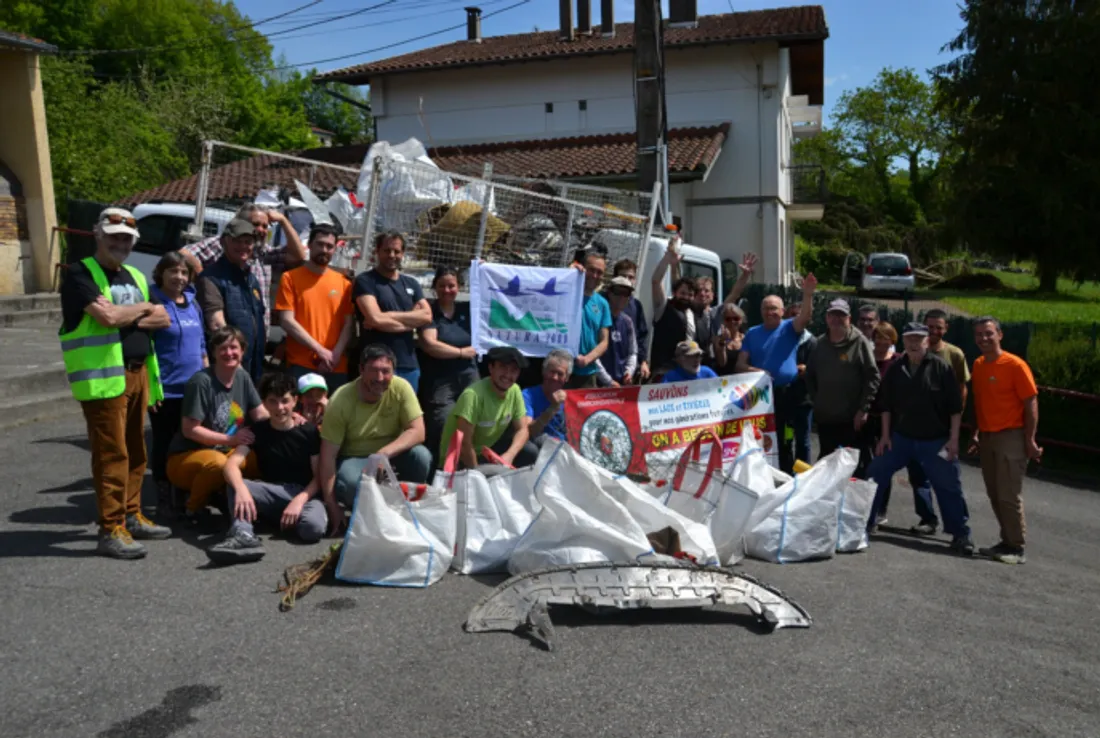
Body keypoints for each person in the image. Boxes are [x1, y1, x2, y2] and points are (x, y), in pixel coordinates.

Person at [59, 207, 172, 558]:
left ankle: (132, 514)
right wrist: (142, 311)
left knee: (137, 451)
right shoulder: (80, 274)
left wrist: (131, 314)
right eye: (114, 237)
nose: (120, 243)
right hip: (103, 379)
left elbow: (164, 317)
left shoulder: (135, 276)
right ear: (98, 235)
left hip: (139, 373)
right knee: (112, 453)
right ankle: (110, 528)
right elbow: (106, 317)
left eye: (126, 238)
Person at [868, 323, 974, 556]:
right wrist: (885, 436)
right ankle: (864, 523)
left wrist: (954, 440)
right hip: (901, 438)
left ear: (927, 341)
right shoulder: (896, 369)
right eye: (910, 339)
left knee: (948, 485)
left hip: (935, 440)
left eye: (919, 339)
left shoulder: (941, 367)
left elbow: (955, 408)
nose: (914, 344)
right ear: (903, 342)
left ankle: (960, 534)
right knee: (876, 472)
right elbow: (886, 406)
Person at [206, 373, 327, 564]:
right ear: (265, 403)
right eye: (273, 401)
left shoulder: (308, 431)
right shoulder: (258, 430)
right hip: (272, 491)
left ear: (295, 401)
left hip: (305, 494)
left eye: (285, 401)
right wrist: (241, 490)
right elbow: (231, 465)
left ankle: (275, 517)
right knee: (235, 484)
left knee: (312, 529)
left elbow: (319, 476)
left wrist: (298, 501)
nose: (280, 408)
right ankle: (243, 534)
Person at [319, 344, 432, 534]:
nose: (380, 378)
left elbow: (418, 431)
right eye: (373, 371)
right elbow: (327, 456)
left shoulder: (401, 387)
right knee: (348, 481)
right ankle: (370, 516)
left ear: (393, 371)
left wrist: (382, 454)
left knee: (421, 456)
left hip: (390, 454)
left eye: (386, 371)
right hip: (356, 458)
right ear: (361, 370)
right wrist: (332, 506)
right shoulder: (340, 400)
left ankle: (408, 508)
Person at [166, 326, 268, 517]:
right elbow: (190, 430)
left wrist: (287, 418)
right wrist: (231, 440)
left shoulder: (242, 376)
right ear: (213, 352)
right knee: (219, 465)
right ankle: (191, 508)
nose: (229, 353)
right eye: (222, 348)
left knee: (261, 459)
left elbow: (260, 414)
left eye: (234, 347)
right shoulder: (201, 382)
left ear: (243, 350)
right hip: (188, 455)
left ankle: (226, 497)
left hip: (226, 450)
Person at [970, 317, 1041, 564]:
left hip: (1011, 435)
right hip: (988, 437)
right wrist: (978, 432)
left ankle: (1016, 547)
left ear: (1000, 335)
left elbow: (1030, 402)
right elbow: (983, 402)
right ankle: (1006, 540)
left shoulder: (1015, 365)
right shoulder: (978, 365)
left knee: (1009, 494)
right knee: (994, 492)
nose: (983, 339)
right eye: (979, 334)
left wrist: (1030, 439)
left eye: (988, 333)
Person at [735, 274, 818, 472]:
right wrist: (758, 371)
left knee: (802, 440)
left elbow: (805, 316)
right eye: (766, 308)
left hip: (794, 393)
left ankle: (804, 478)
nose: (770, 312)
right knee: (778, 439)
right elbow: (740, 365)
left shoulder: (790, 327)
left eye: (774, 308)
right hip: (767, 396)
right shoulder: (753, 333)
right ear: (761, 311)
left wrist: (808, 294)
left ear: (782, 311)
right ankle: (781, 475)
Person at [148, 252, 208, 522]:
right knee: (164, 442)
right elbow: (145, 348)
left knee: (190, 443)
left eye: (184, 273)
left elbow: (203, 345)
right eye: (173, 271)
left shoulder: (193, 305)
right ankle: (163, 496)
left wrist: (207, 381)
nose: (179, 278)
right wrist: (150, 386)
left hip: (193, 390)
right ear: (161, 273)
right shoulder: (151, 303)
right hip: (165, 390)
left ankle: (185, 493)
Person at [181, 202, 306, 329]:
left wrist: (283, 220)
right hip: (226, 337)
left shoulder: (263, 253)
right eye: (256, 224)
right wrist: (203, 278)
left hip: (256, 337)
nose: (262, 230)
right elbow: (184, 254)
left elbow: (299, 256)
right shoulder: (224, 244)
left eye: (265, 226)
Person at [908, 308, 972, 535]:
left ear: (946, 329)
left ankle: (958, 529)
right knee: (918, 477)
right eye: (930, 326)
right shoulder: (912, 351)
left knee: (947, 481)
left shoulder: (954, 354)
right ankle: (927, 519)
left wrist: (955, 423)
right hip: (915, 428)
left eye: (939, 327)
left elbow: (962, 390)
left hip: (942, 429)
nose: (934, 331)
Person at [276, 223, 354, 392]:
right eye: (320, 244)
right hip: (301, 364)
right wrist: (320, 350)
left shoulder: (344, 284)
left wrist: (334, 355)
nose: (324, 250)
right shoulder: (290, 278)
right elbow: (287, 321)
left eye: (329, 246)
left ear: (335, 250)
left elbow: (348, 324)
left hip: (336, 366)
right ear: (309, 245)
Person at [806, 298, 879, 477]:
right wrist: (818, 401)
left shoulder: (860, 342)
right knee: (827, 464)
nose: (837, 319)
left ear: (849, 318)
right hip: (826, 418)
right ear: (826, 318)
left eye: (842, 315)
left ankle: (850, 504)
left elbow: (873, 377)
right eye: (833, 315)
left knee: (851, 467)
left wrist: (863, 409)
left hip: (852, 420)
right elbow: (810, 376)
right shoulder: (818, 344)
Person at [352, 231, 432, 391]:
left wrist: (387, 316)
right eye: (387, 250)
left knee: (406, 415)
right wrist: (411, 323)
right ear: (377, 251)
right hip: (375, 365)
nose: (392, 255)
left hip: (408, 365)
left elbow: (427, 316)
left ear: (403, 253)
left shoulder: (412, 283)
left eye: (396, 251)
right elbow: (375, 319)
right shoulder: (365, 281)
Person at [416, 266, 479, 468]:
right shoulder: (430, 312)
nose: (447, 290)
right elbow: (430, 344)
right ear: (435, 287)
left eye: (451, 285)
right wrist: (461, 353)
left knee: (472, 425)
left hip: (469, 377)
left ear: (458, 287)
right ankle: (437, 472)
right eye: (442, 285)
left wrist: (483, 271)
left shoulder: (467, 310)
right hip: (440, 382)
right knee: (442, 426)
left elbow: (490, 300)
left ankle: (466, 470)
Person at [195, 218, 267, 383]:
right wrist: (236, 365)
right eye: (236, 241)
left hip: (252, 368)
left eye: (248, 242)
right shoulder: (211, 278)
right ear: (223, 242)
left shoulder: (252, 280)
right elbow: (217, 325)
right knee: (228, 410)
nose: (243, 246)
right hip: (229, 369)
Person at [441, 346, 536, 469]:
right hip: (458, 458)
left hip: (486, 452)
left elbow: (522, 430)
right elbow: (464, 444)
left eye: (513, 370)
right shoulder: (472, 395)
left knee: (530, 451)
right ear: (491, 368)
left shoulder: (515, 390)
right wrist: (478, 476)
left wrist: (509, 455)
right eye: (503, 367)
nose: (508, 375)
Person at [867, 321, 905, 526]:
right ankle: (864, 506)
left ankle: (881, 509)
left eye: (886, 337)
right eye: (879, 337)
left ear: (893, 340)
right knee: (865, 463)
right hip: (867, 417)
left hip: (889, 420)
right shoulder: (867, 358)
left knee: (883, 466)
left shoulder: (899, 361)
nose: (882, 342)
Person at [650, 239, 697, 378]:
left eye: (690, 294)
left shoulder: (691, 313)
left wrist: (674, 265)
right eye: (682, 293)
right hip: (664, 372)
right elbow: (656, 281)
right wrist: (667, 259)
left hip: (686, 371)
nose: (686, 297)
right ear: (675, 293)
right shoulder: (664, 306)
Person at [569, 249, 612, 389]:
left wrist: (587, 359)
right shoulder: (567, 293)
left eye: (599, 272)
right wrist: (568, 273)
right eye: (591, 270)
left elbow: (604, 341)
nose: (595, 275)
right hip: (561, 370)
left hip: (587, 373)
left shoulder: (602, 304)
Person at [782, 302, 817, 466]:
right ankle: (787, 473)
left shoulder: (813, 342)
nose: (795, 318)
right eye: (792, 315)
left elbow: (819, 369)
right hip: (785, 401)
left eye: (799, 315)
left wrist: (807, 369)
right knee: (787, 439)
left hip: (804, 401)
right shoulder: (780, 339)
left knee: (803, 441)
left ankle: (803, 476)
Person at [611, 258, 651, 382]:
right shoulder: (603, 301)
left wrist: (643, 361)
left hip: (627, 369)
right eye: (623, 276)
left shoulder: (636, 305)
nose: (627, 280)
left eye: (631, 277)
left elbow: (642, 335)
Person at [524, 349, 571, 445]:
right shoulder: (527, 395)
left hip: (567, 450)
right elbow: (528, 432)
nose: (555, 377)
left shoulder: (572, 400)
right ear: (543, 371)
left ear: (567, 378)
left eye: (560, 374)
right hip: (540, 449)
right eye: (552, 372)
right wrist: (552, 408)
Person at [597, 276, 638, 387]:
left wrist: (629, 372)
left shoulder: (628, 321)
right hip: (599, 384)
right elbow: (593, 354)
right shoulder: (598, 318)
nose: (622, 297)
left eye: (626, 293)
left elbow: (633, 352)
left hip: (620, 384)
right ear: (609, 293)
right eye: (618, 292)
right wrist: (608, 381)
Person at [712, 303, 747, 375]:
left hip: (743, 380)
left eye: (736, 318)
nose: (732, 322)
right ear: (723, 321)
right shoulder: (717, 339)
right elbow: (722, 363)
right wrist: (722, 342)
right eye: (728, 319)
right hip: (724, 381)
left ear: (741, 320)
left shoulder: (746, 338)